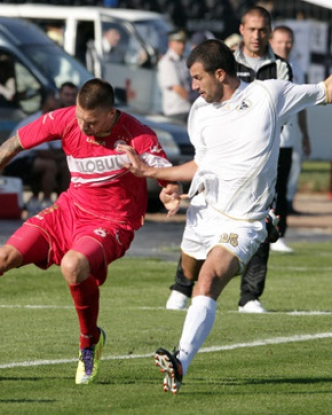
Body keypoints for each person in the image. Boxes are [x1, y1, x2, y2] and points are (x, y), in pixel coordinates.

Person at [0, 78, 182, 385]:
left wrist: (171, 192)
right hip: (67, 211)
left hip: (112, 223)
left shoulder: (137, 134)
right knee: (4, 256)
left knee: (73, 265)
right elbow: (14, 144)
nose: (83, 127)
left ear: (111, 113)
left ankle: (89, 342)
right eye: (79, 118)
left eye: (91, 122)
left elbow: (166, 175)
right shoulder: (66, 119)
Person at [119, 39, 332, 394]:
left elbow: (325, 90)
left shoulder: (268, 95)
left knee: (208, 277)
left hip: (245, 222)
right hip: (204, 211)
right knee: (188, 271)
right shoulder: (199, 112)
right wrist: (167, 183)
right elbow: (202, 165)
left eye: (199, 78)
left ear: (221, 74)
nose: (194, 86)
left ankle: (180, 361)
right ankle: (179, 296)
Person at [165, 6, 294, 313]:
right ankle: (182, 286)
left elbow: (284, 110)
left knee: (262, 217)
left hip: (264, 153)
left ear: (270, 32)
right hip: (222, 152)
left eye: (263, 30)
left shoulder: (280, 68)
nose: (257, 35)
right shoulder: (224, 60)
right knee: (200, 208)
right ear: (242, 29)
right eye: (251, 29)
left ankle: (249, 296)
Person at [269, 25, 311, 219]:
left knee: (283, 184)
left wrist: (305, 134)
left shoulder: (297, 67)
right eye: (280, 42)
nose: (284, 46)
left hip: (287, 135)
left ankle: (280, 231)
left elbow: (302, 104)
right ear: (271, 42)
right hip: (265, 135)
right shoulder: (266, 64)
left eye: (288, 42)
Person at [4, 91, 64, 216]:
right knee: (50, 165)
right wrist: (65, 156)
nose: (59, 101)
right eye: (55, 98)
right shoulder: (37, 121)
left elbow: (58, 149)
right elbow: (44, 153)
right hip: (15, 162)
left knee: (65, 165)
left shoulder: (53, 121)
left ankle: (64, 204)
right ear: (47, 103)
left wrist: (65, 157)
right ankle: (46, 202)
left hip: (31, 160)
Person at [157, 29, 192, 125]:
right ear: (171, 44)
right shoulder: (167, 62)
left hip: (186, 109)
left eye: (183, 42)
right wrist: (192, 101)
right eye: (179, 42)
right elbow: (176, 87)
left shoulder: (183, 60)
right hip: (176, 110)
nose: (182, 46)